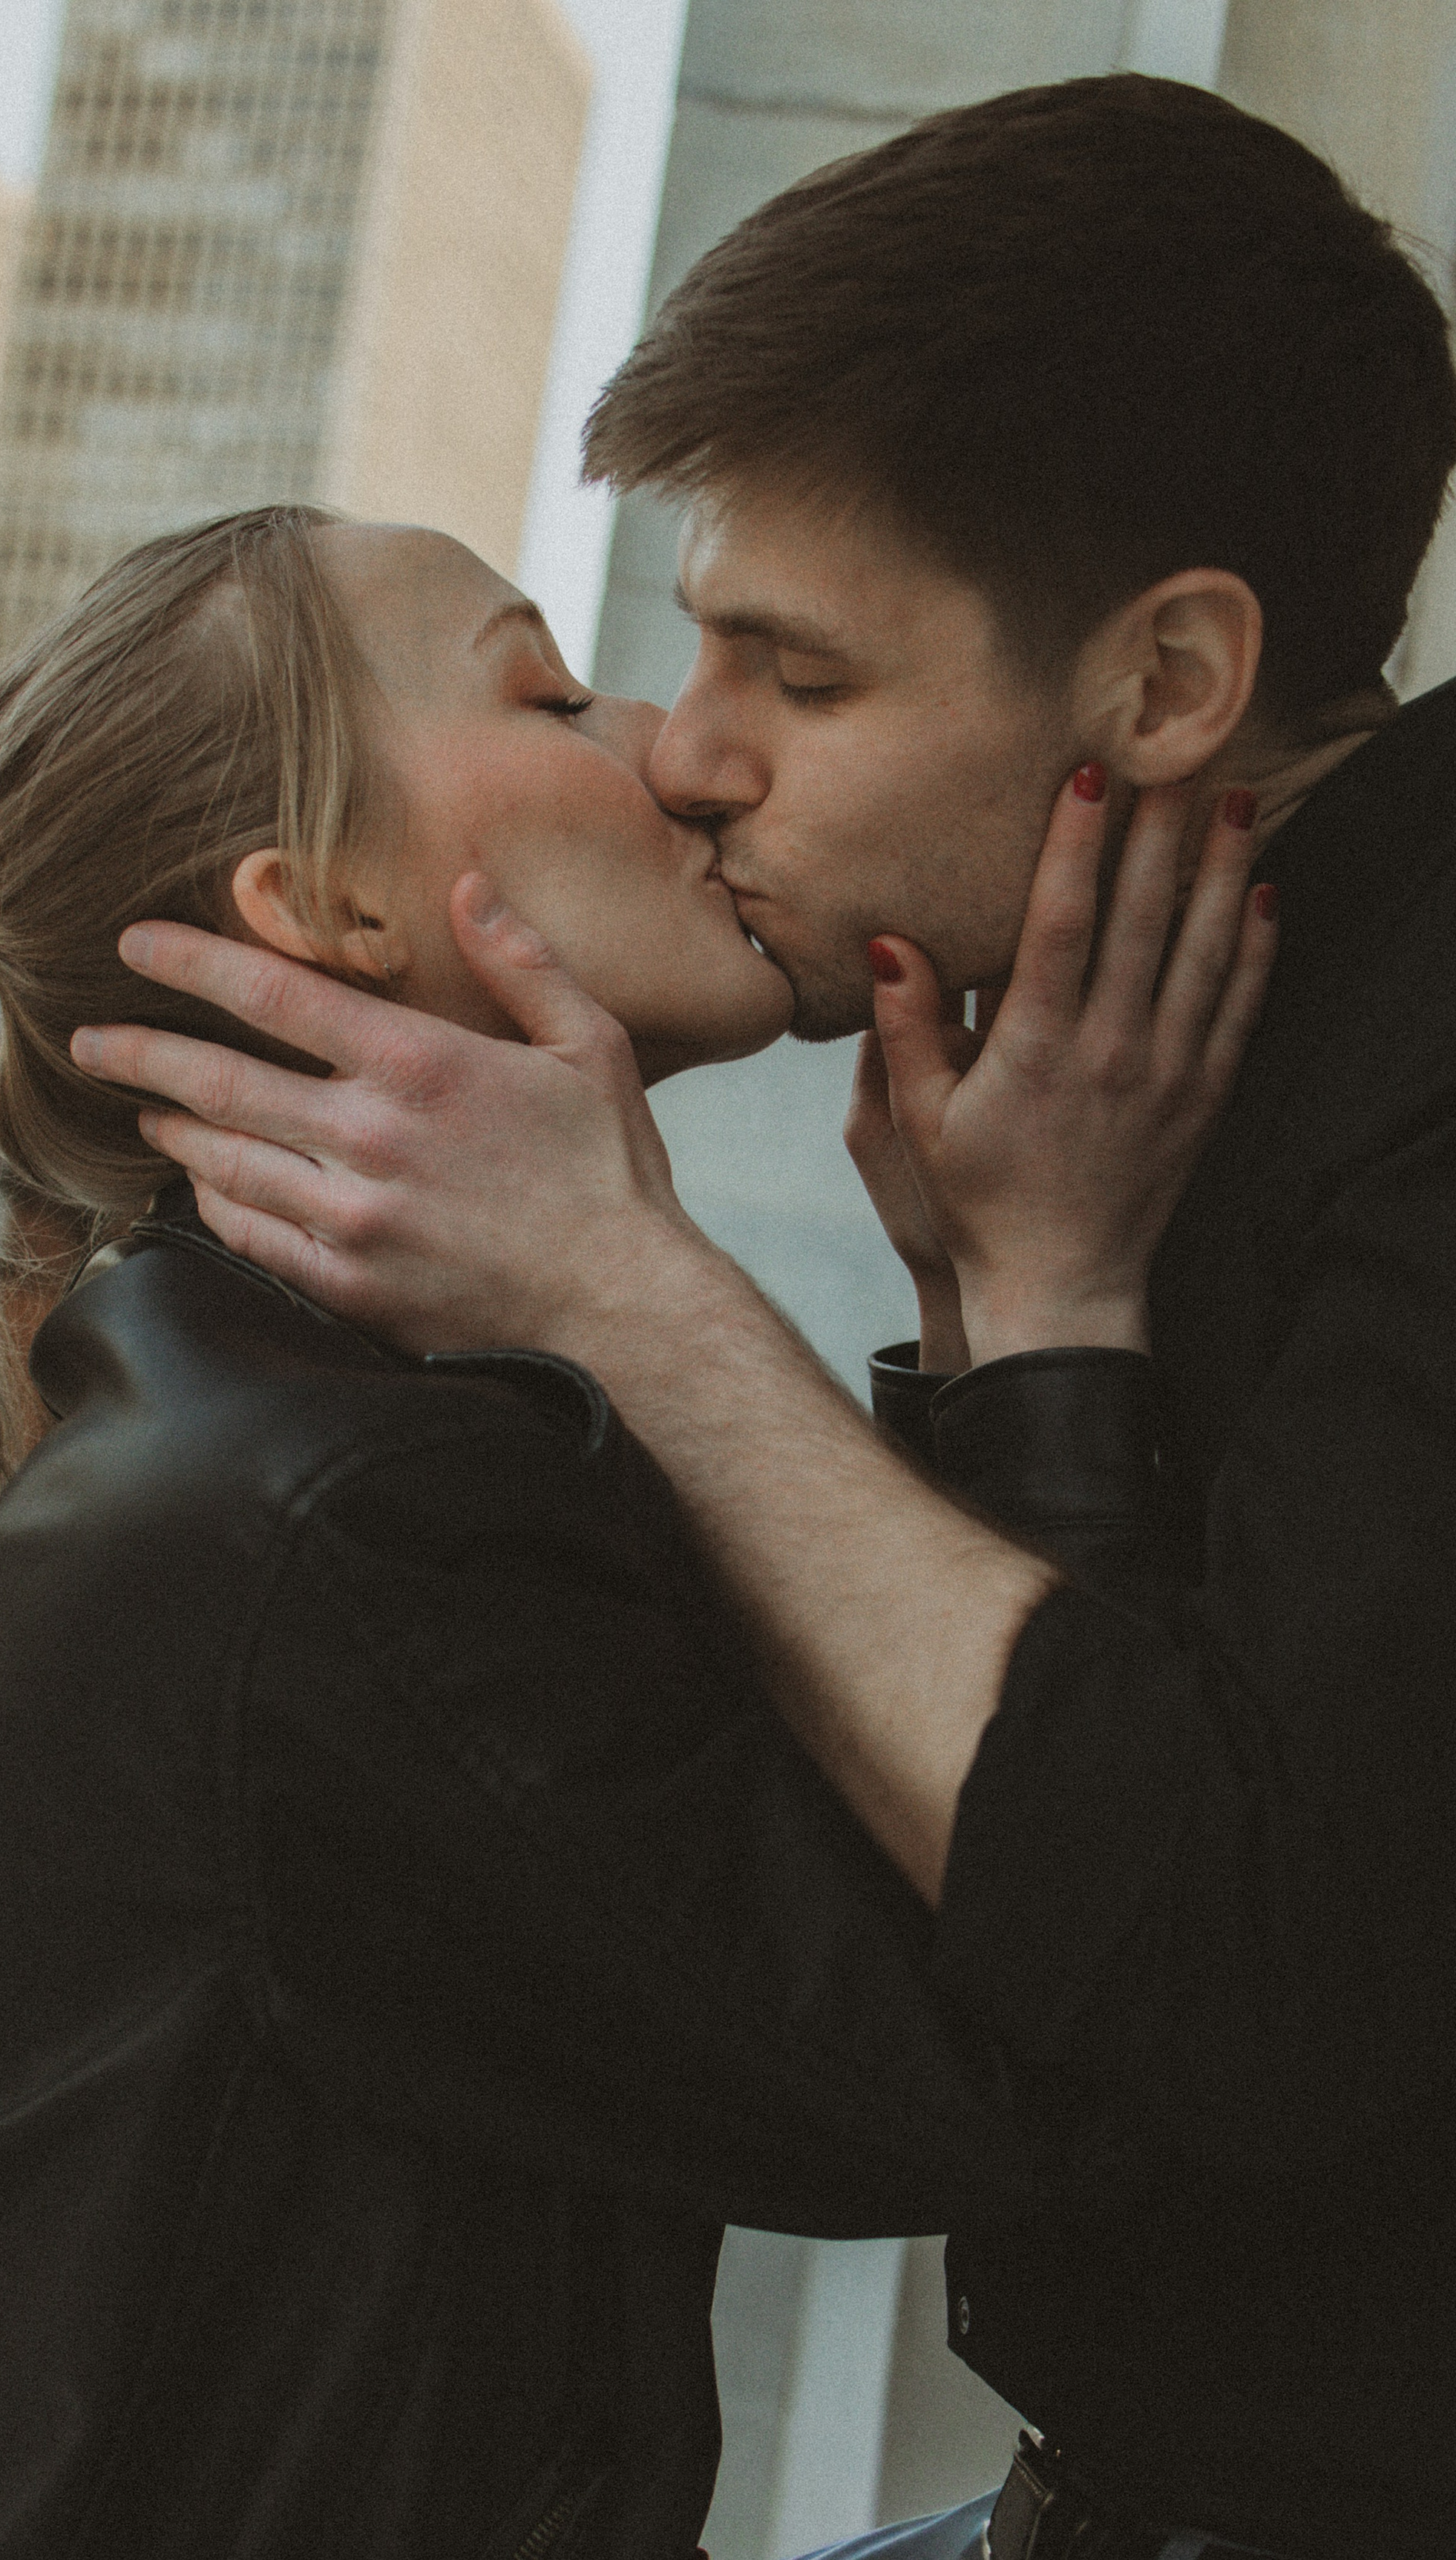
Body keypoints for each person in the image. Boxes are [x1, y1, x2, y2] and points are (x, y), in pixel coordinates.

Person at [0, 505, 1262, 2560]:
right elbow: (1066, 2049)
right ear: (329, 907)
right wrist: (1058, 1312)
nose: (672, 746)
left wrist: (956, 1317)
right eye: (550, 691)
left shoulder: (288, 1411)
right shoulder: (336, 1518)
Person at [71, 76, 1456, 2559]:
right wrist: (1020, 1318)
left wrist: (641, 1294)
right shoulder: (1126, 1061)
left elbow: (1206, 1981)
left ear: (1164, 683)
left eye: (793, 674)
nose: (686, 753)